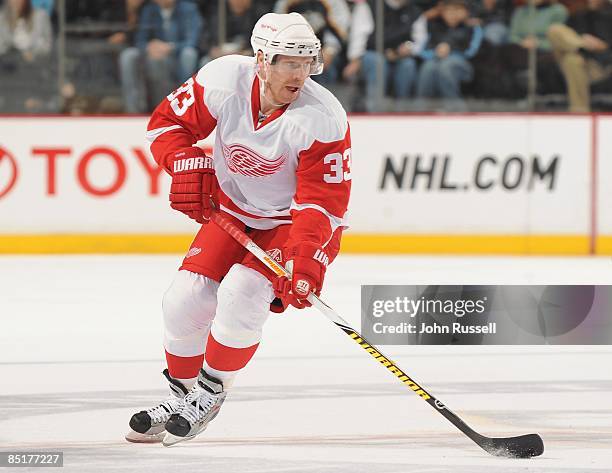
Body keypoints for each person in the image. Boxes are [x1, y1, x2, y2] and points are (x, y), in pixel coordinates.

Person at [125, 12, 351, 446]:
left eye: (307, 63)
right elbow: (165, 125)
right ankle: (181, 396)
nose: (300, 74)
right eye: (290, 62)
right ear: (262, 59)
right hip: (233, 213)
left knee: (241, 295)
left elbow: (321, 206)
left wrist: (306, 260)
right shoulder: (223, 79)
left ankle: (209, 393)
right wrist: (183, 162)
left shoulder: (323, 118)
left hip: (290, 224)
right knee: (183, 299)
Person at [119, 0, 203, 113]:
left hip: (178, 55)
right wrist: (149, 47)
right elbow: (140, 40)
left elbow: (193, 40)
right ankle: (134, 110)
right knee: (128, 55)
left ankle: (184, 104)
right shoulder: (149, 10)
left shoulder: (188, 8)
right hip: (154, 54)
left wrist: (170, 47)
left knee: (189, 53)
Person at [343, 0, 426, 112]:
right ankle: (375, 108)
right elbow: (359, 34)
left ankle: (403, 109)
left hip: (400, 57)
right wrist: (355, 59)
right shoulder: (370, 5)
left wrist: (409, 48)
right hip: (372, 55)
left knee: (408, 65)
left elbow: (419, 40)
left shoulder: (415, 11)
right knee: (377, 62)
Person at [416, 0, 483, 110]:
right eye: (449, 10)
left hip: (465, 66)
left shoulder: (471, 27)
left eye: (456, 9)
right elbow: (422, 51)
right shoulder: (433, 26)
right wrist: (436, 52)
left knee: (447, 65)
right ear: (442, 12)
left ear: (464, 11)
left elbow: (472, 52)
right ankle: (423, 109)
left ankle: (456, 108)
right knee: (429, 67)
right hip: (436, 60)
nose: (452, 14)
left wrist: (450, 49)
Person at [547, 0, 612, 112]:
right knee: (555, 30)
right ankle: (580, 112)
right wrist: (584, 43)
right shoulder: (579, 16)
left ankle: (579, 111)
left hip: (601, 65)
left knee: (571, 60)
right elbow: (562, 37)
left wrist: (603, 46)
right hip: (579, 58)